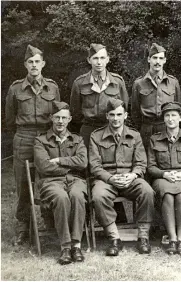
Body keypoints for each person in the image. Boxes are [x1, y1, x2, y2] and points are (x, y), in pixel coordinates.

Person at [6, 45, 61, 245]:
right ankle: (23, 227)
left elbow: (58, 114)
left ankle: (50, 221)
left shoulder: (52, 87)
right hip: (24, 138)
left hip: (47, 138)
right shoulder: (15, 88)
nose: (34, 65)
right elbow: (10, 119)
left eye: (37, 61)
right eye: (30, 62)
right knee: (22, 183)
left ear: (43, 64)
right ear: (25, 65)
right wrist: (24, 135)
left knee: (49, 178)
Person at [89, 98, 155, 256]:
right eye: (112, 115)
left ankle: (143, 237)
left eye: (119, 114)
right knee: (98, 196)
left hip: (130, 178)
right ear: (107, 116)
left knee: (147, 191)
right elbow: (95, 166)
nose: (116, 118)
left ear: (125, 115)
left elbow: (141, 163)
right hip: (107, 179)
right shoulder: (96, 136)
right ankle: (114, 238)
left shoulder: (134, 135)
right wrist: (110, 178)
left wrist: (132, 175)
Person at [34, 101, 87, 265]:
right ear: (51, 118)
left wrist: (59, 160)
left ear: (70, 119)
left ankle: (76, 245)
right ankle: (65, 246)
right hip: (51, 182)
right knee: (61, 197)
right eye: (57, 117)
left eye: (64, 118)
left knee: (78, 195)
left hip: (75, 181)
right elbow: (43, 166)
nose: (60, 122)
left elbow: (83, 162)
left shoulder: (77, 140)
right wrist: (70, 167)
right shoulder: (40, 140)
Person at [147, 102, 181, 255]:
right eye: (167, 116)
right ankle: (172, 238)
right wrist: (164, 174)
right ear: (163, 119)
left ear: (180, 118)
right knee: (168, 194)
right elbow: (150, 166)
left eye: (174, 115)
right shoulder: (155, 139)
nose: (170, 119)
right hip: (162, 177)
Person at [70, 43, 129, 147]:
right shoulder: (79, 83)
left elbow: (125, 107)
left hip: (111, 128)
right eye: (95, 58)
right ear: (89, 60)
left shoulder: (117, 81)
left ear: (107, 59)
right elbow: (75, 112)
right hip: (88, 130)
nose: (99, 62)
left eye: (102, 58)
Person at [131, 43, 181, 150]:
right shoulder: (139, 83)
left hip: (167, 127)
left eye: (161, 58)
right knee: (147, 161)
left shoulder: (173, 82)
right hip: (147, 128)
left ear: (165, 60)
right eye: (154, 58)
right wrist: (142, 128)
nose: (157, 62)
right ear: (149, 59)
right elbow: (135, 111)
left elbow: (178, 107)